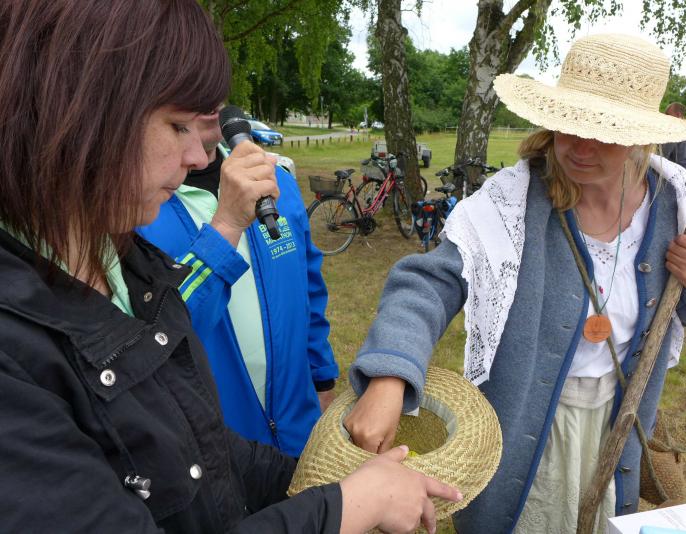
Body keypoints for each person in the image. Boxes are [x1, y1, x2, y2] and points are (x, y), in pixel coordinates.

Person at [0, 1, 460, 532]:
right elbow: (169, 337)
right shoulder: (138, 219)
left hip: (290, 431)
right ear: (80, 110)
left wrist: (322, 405)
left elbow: (196, 444)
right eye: (179, 123)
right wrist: (225, 228)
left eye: (210, 115)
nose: (199, 155)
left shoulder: (124, 249)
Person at [343, 34, 686, 534]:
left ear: (639, 137)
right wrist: (389, 376)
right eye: (570, 125)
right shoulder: (512, 203)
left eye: (605, 132)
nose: (580, 146)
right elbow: (427, 284)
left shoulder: (673, 200)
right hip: (526, 428)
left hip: (617, 421)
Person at [138, 106, 338, 458]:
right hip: (214, 448)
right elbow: (155, 341)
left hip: (299, 431)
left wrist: (322, 378)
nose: (208, 101)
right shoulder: (137, 209)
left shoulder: (277, 181)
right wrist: (225, 226)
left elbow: (309, 288)